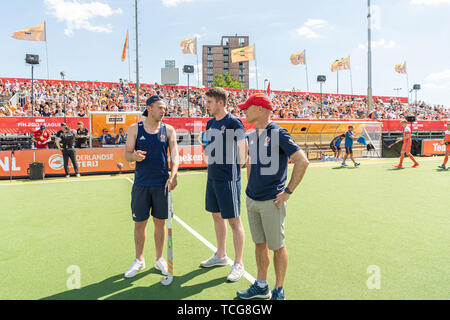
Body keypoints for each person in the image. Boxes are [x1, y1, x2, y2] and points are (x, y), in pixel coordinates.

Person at [236, 94, 309, 300]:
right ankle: (261, 285)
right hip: (253, 199)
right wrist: (250, 187)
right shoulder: (252, 135)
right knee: (259, 244)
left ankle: (278, 289)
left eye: (247, 107)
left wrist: (287, 192)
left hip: (272, 201)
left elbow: (302, 161)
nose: (244, 111)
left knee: (277, 247)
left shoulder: (278, 133)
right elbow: (250, 162)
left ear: (259, 109)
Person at [123, 95, 179, 279]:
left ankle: (159, 258)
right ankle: (139, 259)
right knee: (140, 223)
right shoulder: (135, 129)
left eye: (164, 108)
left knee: (160, 223)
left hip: (161, 184)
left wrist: (174, 174)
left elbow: (175, 155)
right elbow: (127, 155)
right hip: (141, 184)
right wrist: (134, 156)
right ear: (149, 108)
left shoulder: (168, 130)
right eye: (160, 107)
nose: (164, 111)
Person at [201, 87, 248, 282]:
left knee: (234, 221)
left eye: (210, 102)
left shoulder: (233, 122)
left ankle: (238, 263)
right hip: (212, 177)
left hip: (228, 179)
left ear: (220, 102)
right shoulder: (210, 123)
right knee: (216, 216)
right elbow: (206, 148)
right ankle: (220, 255)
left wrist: (231, 167)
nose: (207, 105)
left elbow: (243, 154)